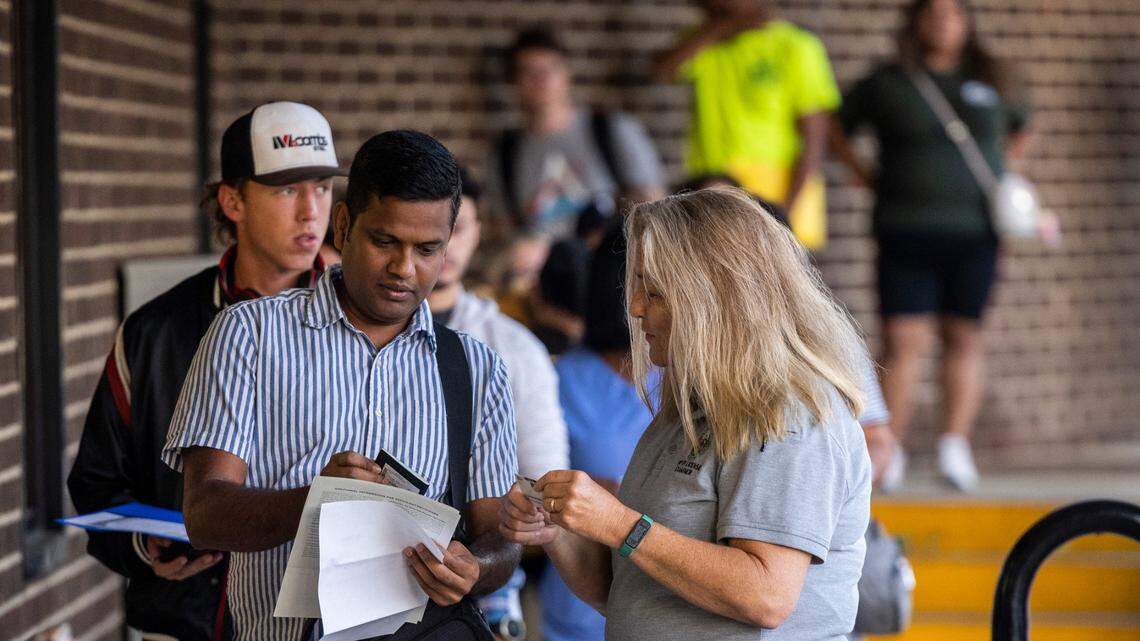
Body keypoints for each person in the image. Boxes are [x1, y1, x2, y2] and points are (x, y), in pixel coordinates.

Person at [162, 130, 521, 641]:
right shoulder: (250, 335)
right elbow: (205, 515)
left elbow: (499, 539)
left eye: (428, 249)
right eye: (385, 242)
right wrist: (314, 502)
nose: (404, 269)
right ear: (345, 225)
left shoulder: (477, 369)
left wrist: (476, 568)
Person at [501, 188, 872, 640]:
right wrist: (556, 525)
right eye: (637, 286)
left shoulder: (791, 412)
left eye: (653, 291)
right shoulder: (685, 411)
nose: (634, 308)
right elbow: (624, 588)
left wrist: (618, 523)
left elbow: (766, 595)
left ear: (715, 296)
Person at [66, 101, 341, 641]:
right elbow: (97, 485)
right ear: (232, 200)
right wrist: (147, 548)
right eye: (287, 190)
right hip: (184, 623)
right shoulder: (155, 330)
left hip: (322, 625)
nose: (312, 210)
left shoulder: (365, 325)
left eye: (323, 187)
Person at [833, 0, 1034, 491]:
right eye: (933, 13)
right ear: (917, 20)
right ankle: (891, 445)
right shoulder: (889, 81)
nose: (942, 23)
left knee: (965, 336)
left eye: (952, 14)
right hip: (906, 229)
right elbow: (836, 128)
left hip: (975, 231)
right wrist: (865, 175)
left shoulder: (994, 78)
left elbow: (1021, 128)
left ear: (968, 22)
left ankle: (954, 444)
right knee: (904, 342)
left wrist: (1004, 176)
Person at [427, 167, 570, 639]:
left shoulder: (513, 346)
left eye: (458, 228)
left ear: (479, 231)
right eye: (431, 232)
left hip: (488, 584)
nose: (443, 247)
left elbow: (547, 478)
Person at [538, 223, 656, 641]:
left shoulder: (694, 379)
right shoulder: (562, 376)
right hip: (582, 601)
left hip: (674, 604)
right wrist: (576, 495)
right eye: (644, 285)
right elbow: (532, 491)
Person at [655, 0, 840, 250]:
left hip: (777, 199)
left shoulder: (796, 47)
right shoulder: (708, 41)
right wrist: (722, 28)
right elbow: (663, 70)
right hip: (714, 196)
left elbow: (815, 141)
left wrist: (782, 215)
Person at [487, 28, 665, 240]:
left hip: (611, 265)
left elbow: (655, 203)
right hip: (545, 269)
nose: (541, 80)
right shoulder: (506, 152)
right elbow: (504, 230)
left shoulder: (610, 129)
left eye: (550, 69)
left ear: (566, 73)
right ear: (514, 81)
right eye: (529, 72)